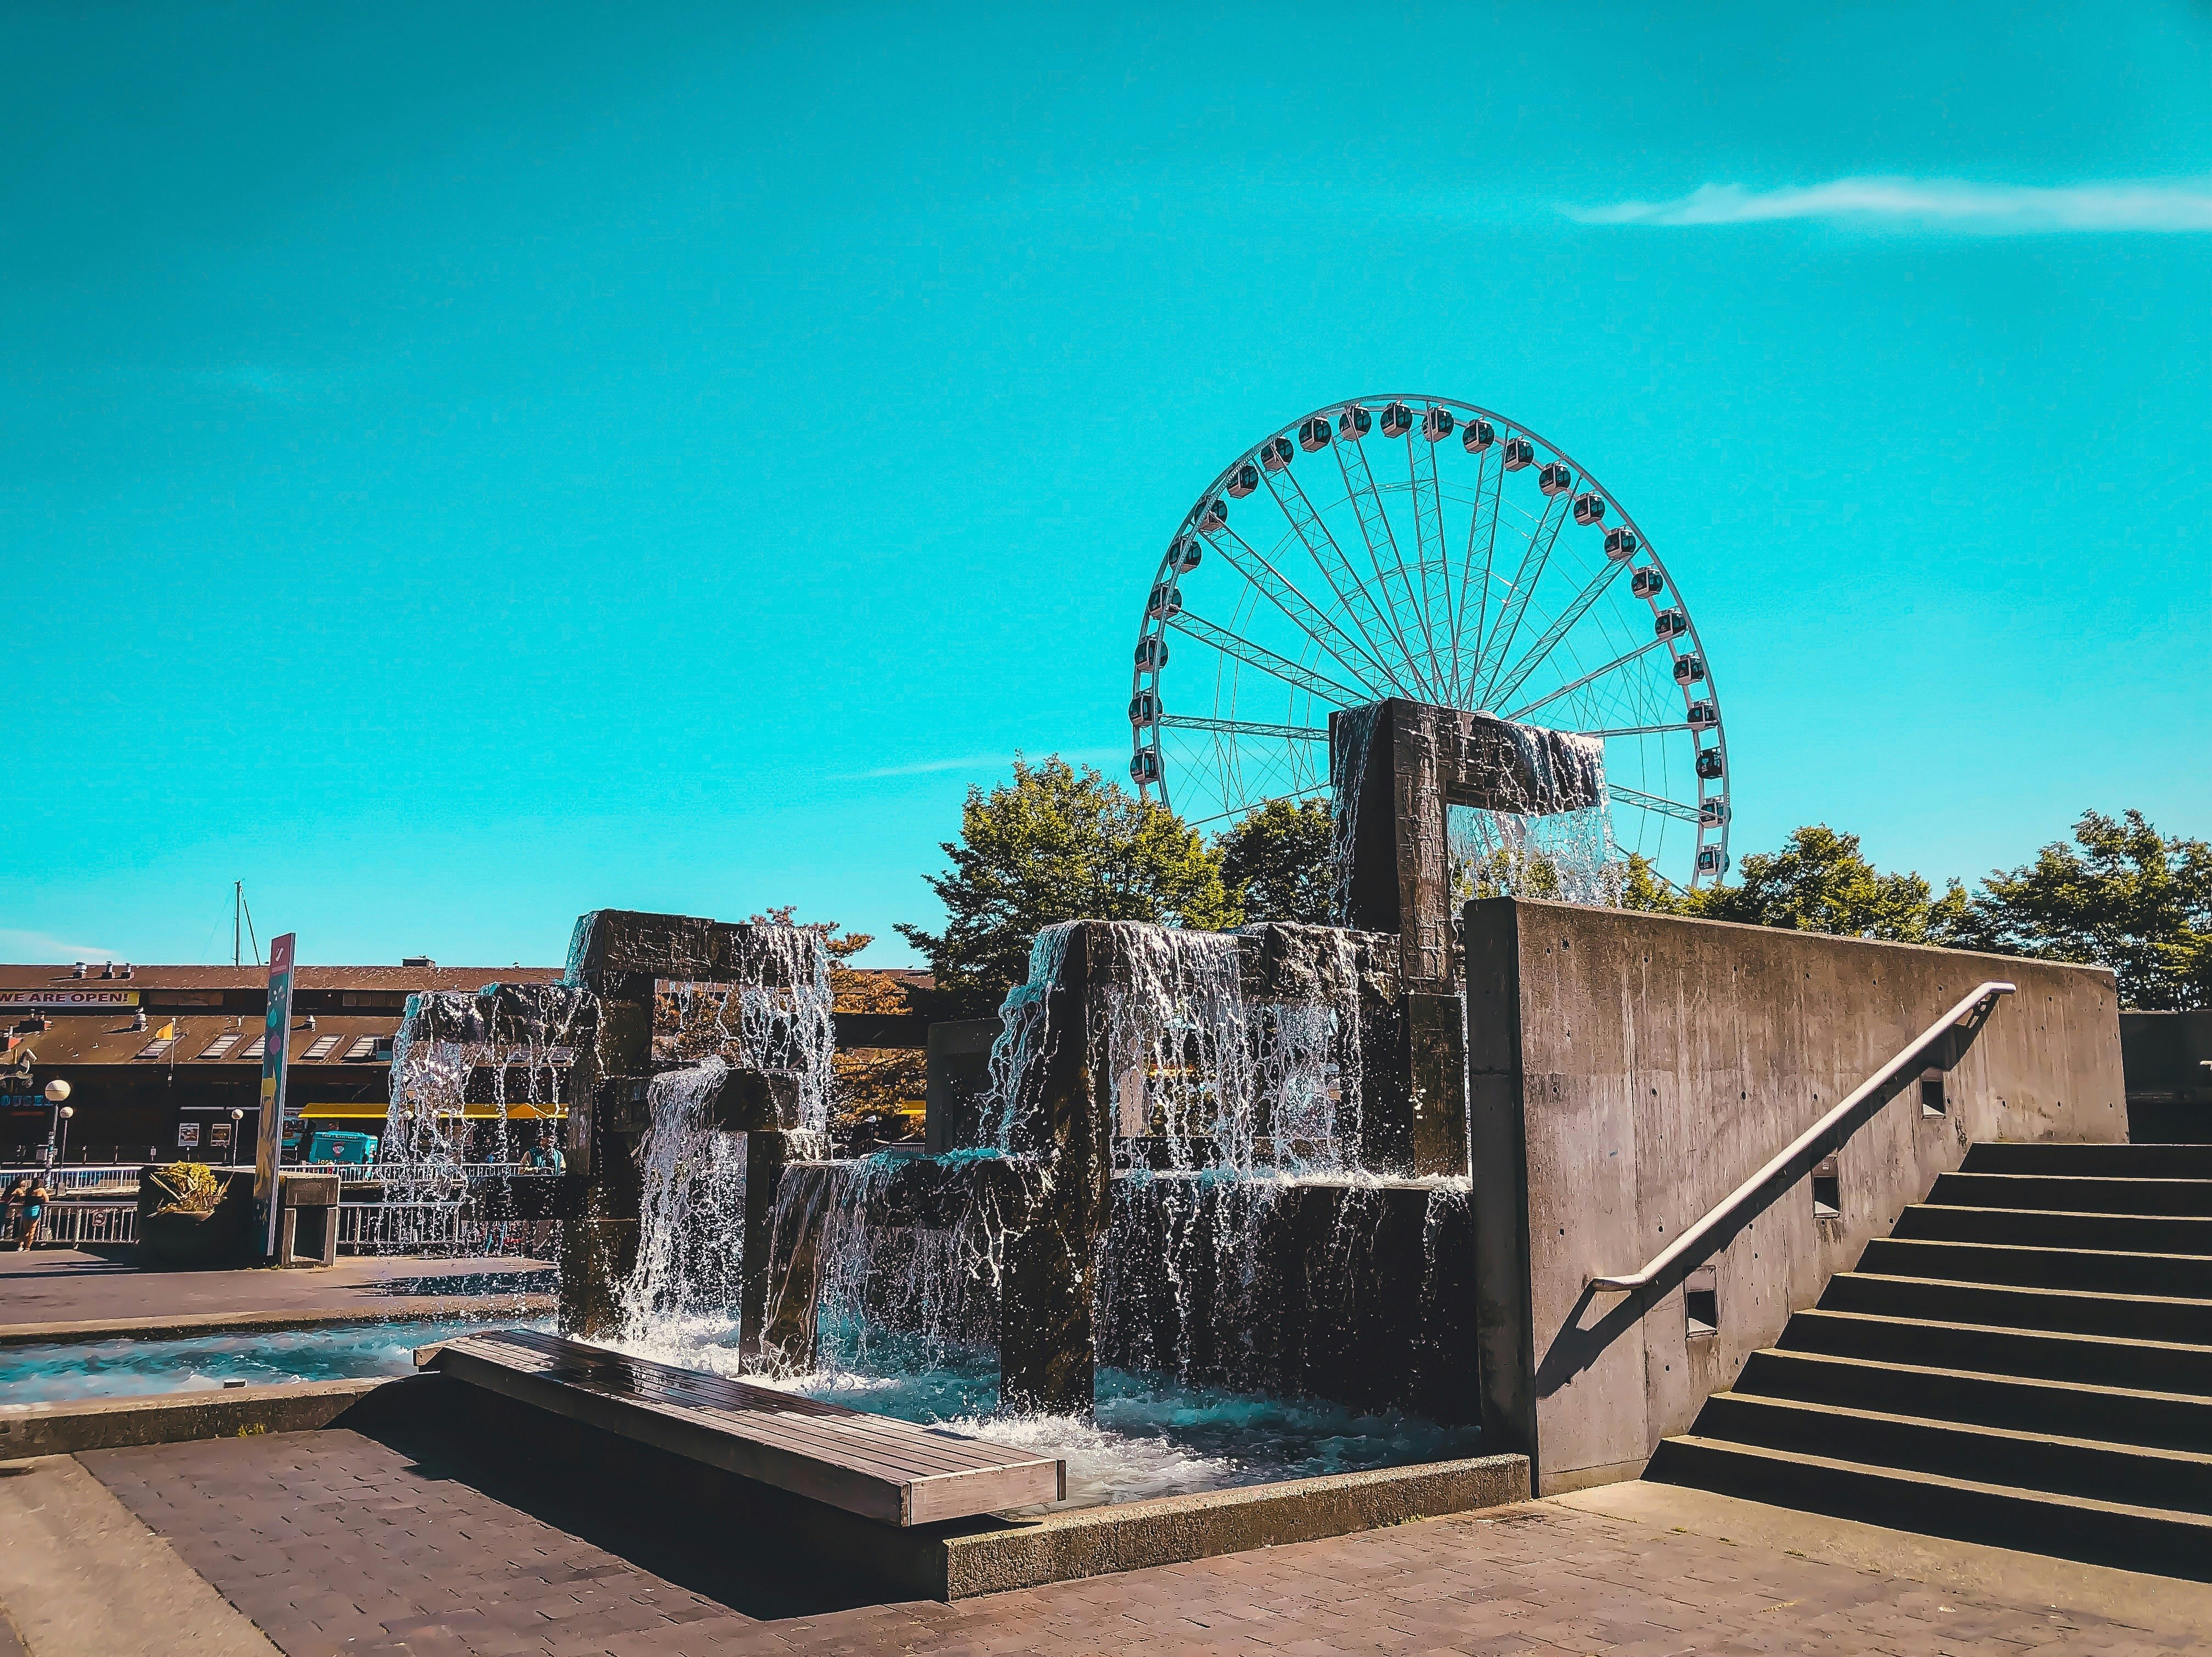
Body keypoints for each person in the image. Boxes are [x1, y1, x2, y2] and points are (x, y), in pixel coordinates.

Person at [523, 1129, 564, 1256]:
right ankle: (528, 1249)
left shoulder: (559, 1155)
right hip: (534, 1192)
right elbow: (522, 1170)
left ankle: (547, 1248)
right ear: (541, 1139)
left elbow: (563, 1171)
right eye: (548, 1138)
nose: (551, 1141)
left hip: (552, 1192)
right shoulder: (531, 1153)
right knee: (530, 1222)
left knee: (550, 1221)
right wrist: (538, 1170)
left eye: (553, 1138)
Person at [18, 1174, 50, 1249]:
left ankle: (20, 1245)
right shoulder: (41, 1190)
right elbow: (47, 1200)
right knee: (32, 1230)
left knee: (24, 1229)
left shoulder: (29, 1190)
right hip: (35, 1210)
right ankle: (28, 1247)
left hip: (26, 1210)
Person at [3, 1177, 27, 1249]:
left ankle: (5, 1237)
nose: (24, 1183)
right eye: (23, 1182)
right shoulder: (18, 1190)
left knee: (8, 1223)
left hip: (8, 1207)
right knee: (14, 1223)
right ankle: (12, 1237)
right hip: (15, 1209)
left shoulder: (10, 1188)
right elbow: (23, 1197)